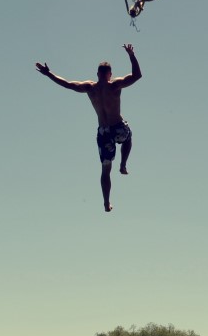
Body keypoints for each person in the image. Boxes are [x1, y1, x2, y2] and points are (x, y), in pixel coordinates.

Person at [35, 43, 141, 212]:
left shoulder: (90, 87)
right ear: (110, 74)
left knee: (105, 170)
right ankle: (123, 165)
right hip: (117, 127)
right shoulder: (115, 85)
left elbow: (68, 84)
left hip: (104, 132)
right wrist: (131, 55)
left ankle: (106, 202)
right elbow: (137, 75)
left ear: (98, 74)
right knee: (128, 135)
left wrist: (49, 74)